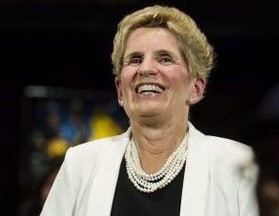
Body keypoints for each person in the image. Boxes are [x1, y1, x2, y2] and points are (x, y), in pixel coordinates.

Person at [40, 5, 259, 216]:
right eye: (135, 59)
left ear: (196, 88)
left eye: (165, 58)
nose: (145, 69)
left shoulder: (237, 164)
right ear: (120, 90)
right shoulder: (80, 163)